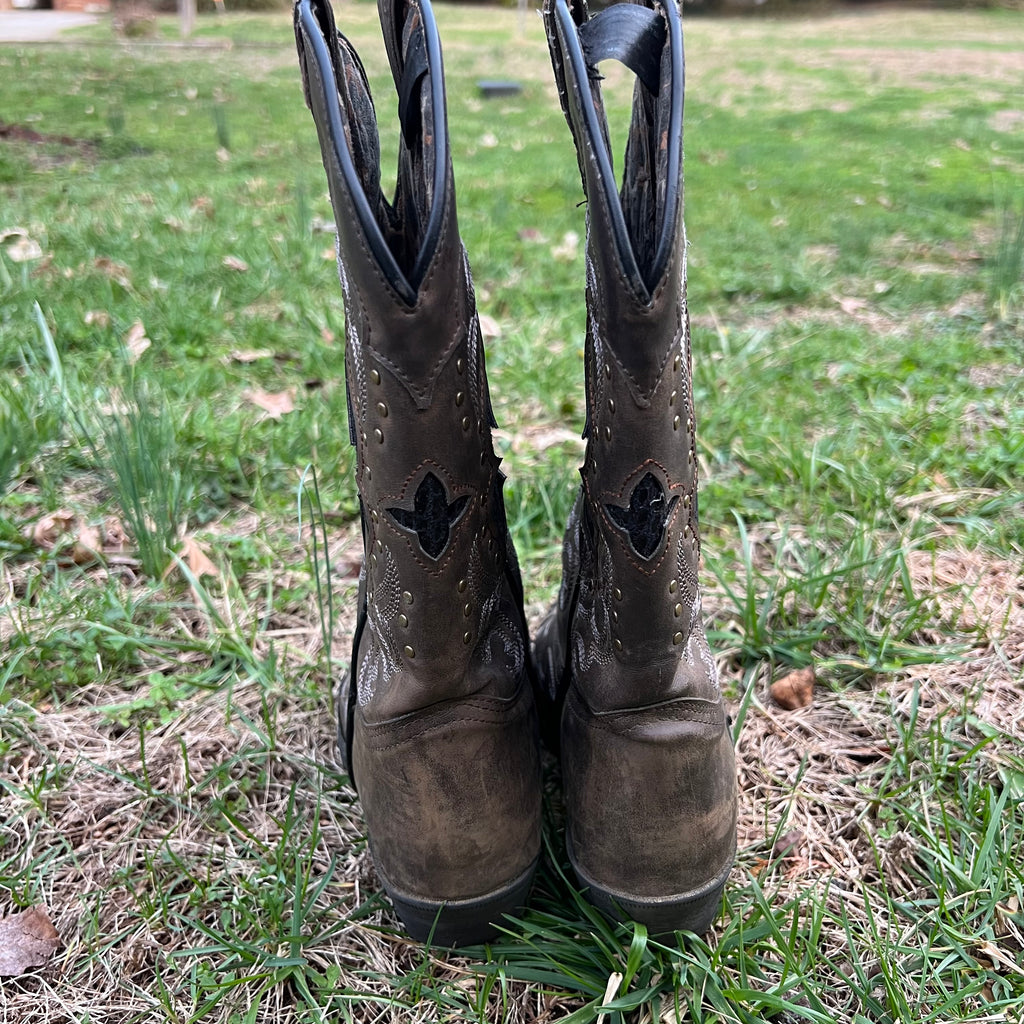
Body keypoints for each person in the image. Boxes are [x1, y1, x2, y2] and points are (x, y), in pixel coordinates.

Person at [294, 0, 737, 946]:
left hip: (430, 763)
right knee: (643, 334)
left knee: (413, 349)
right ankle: (654, 713)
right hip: (659, 740)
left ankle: (440, 714)